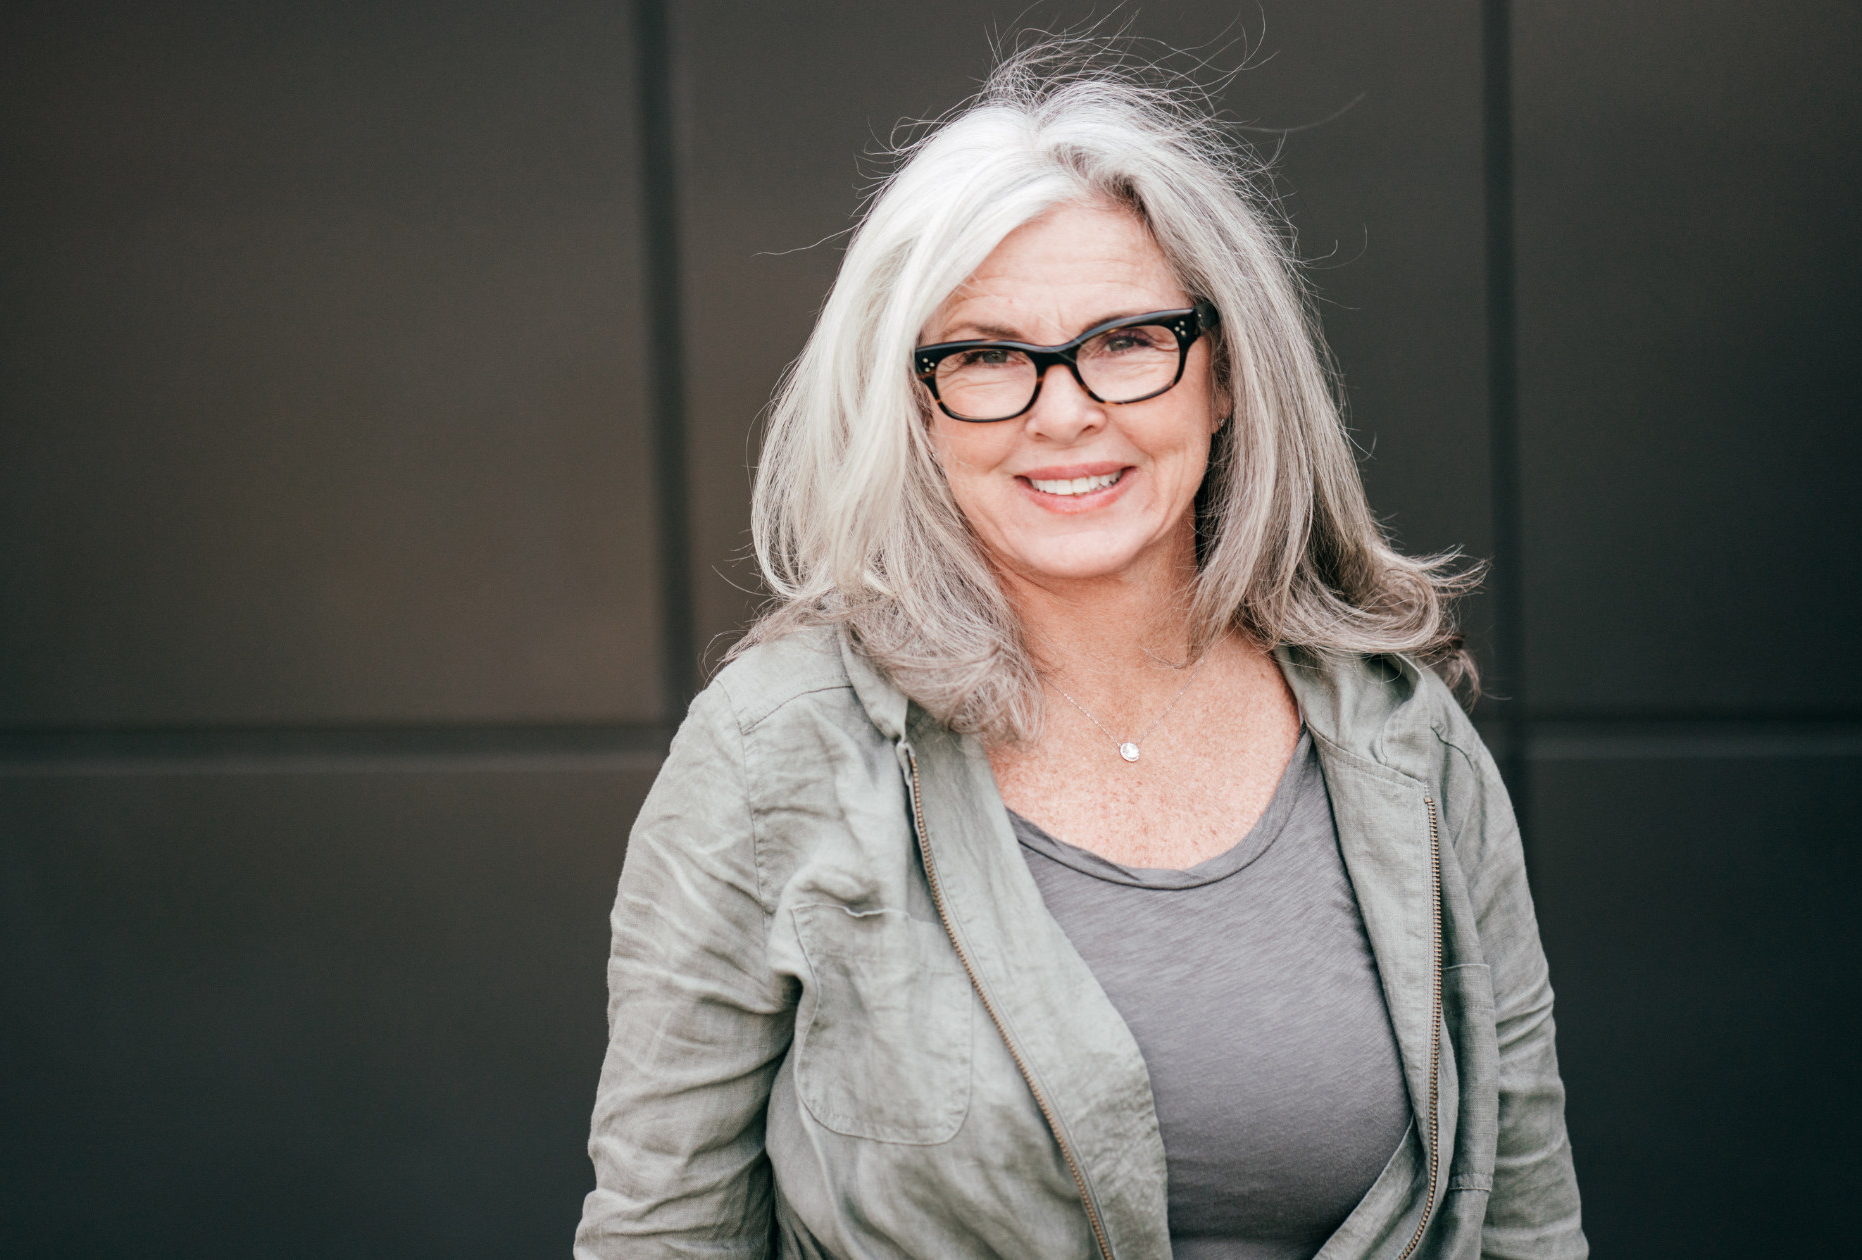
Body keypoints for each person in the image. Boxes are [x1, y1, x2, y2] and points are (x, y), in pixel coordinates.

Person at [575, 44, 1584, 1260]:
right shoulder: (772, 747)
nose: (1064, 411)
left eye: (1125, 340)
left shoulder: (1401, 741)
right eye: (988, 355)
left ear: (1222, 377)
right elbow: (660, 1235)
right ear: (914, 411)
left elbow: (1525, 1221)